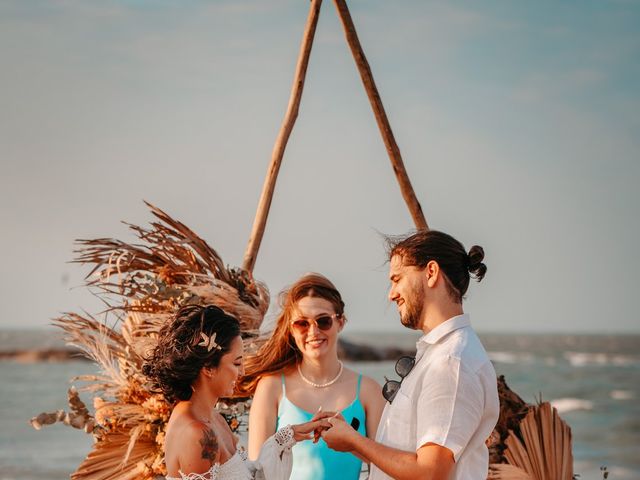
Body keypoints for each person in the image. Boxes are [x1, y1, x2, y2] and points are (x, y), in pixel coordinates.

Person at [321, 230, 500, 480]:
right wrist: (352, 440)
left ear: (431, 272)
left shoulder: (451, 363)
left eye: (397, 279)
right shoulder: (439, 355)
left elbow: (430, 472)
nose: (391, 294)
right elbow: (410, 458)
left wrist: (354, 442)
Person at [142, 304, 328, 480]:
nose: (243, 372)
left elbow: (248, 475)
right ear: (208, 367)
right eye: (236, 363)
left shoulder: (213, 418)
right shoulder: (197, 434)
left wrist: (289, 435)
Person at [238, 273, 386, 480]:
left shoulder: (369, 391)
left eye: (323, 321)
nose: (313, 331)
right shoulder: (271, 387)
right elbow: (257, 471)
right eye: (302, 324)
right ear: (291, 329)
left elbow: (386, 468)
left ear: (340, 322)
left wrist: (352, 443)